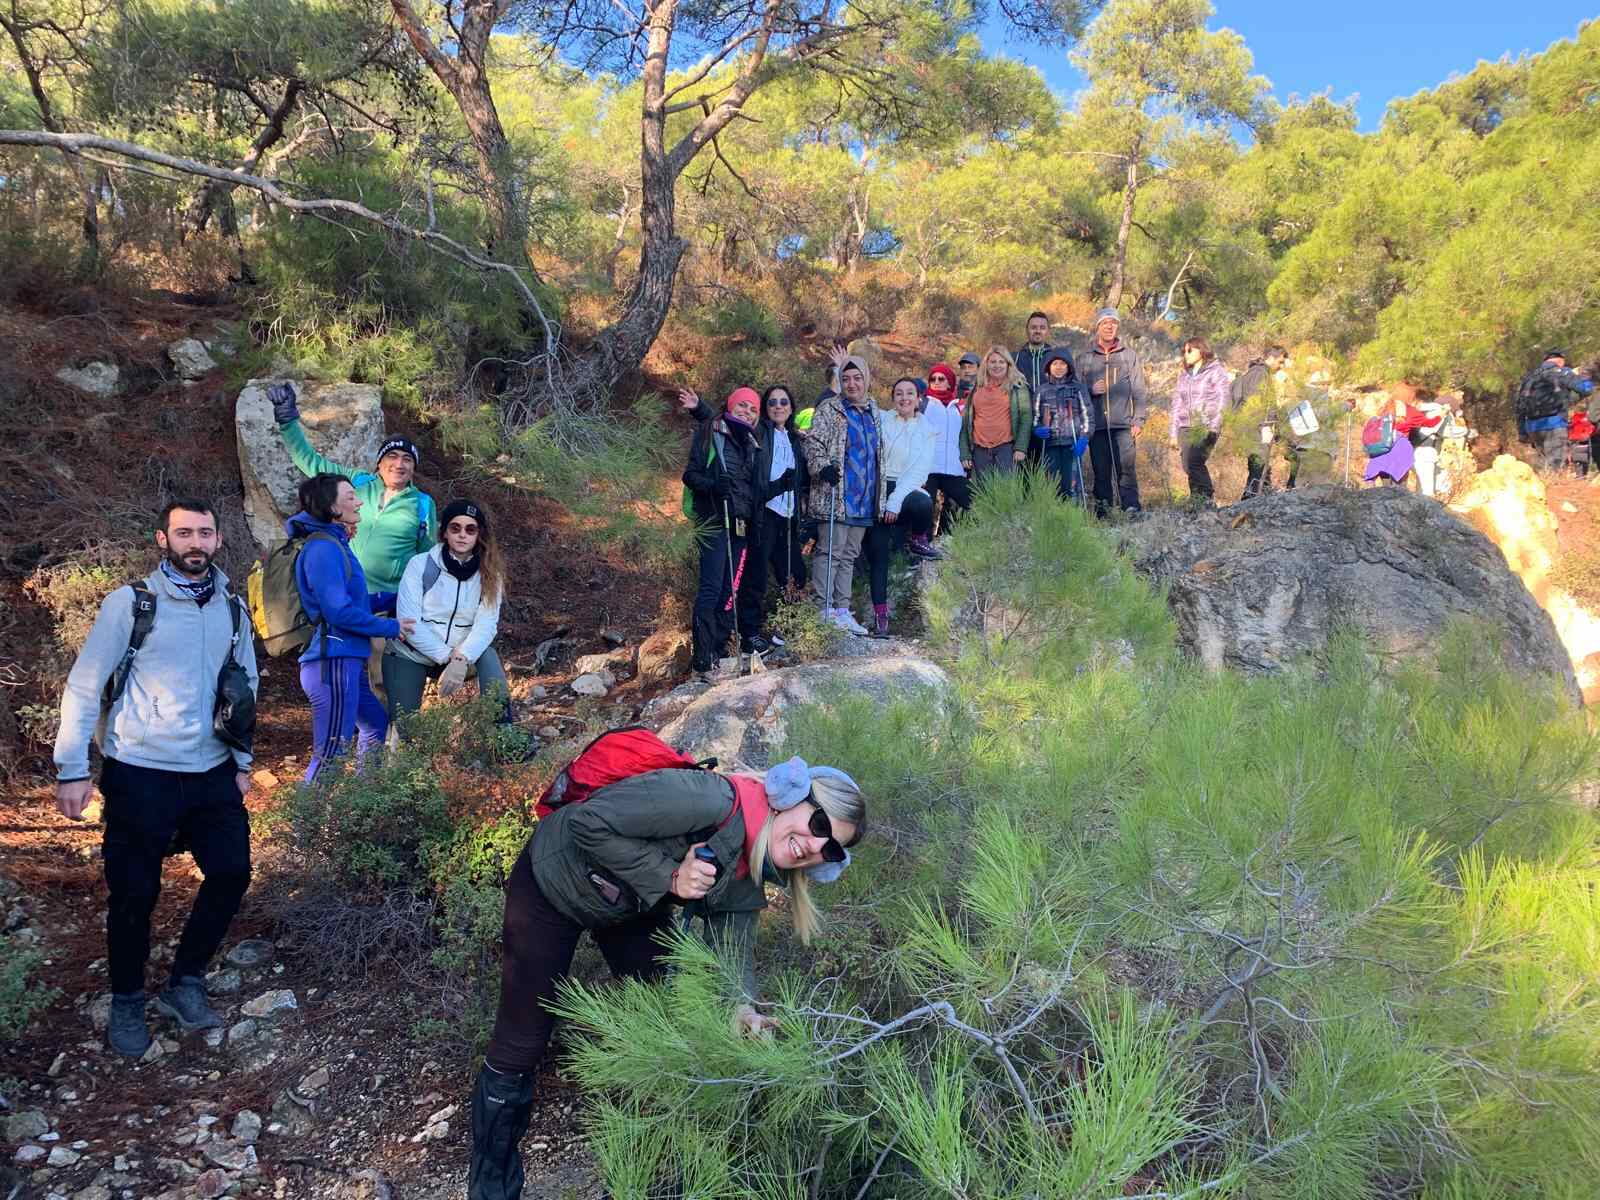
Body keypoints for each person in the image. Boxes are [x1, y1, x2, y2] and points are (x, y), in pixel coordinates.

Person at [467, 755, 866, 1200]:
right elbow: (585, 822)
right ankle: (491, 1191)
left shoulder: (750, 867)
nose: (815, 845)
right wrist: (672, 877)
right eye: (818, 824)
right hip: (555, 878)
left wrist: (742, 1008)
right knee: (520, 1045)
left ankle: (641, 1178)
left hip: (630, 902)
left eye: (831, 849)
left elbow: (729, 961)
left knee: (667, 1028)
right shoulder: (706, 800)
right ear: (790, 796)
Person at [53, 499, 259, 1057]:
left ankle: (185, 980)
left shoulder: (233, 609)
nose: (196, 542)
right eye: (185, 533)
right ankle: (125, 1000)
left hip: (212, 770)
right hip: (139, 772)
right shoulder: (131, 604)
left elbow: (244, 691)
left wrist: (242, 764)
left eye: (206, 533)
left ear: (219, 541)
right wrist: (73, 769)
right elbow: (84, 683)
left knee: (232, 872)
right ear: (163, 540)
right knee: (134, 894)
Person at [268, 382, 436, 699]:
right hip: (343, 598)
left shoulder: (423, 504)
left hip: (385, 604)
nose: (400, 464)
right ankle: (355, 738)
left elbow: (427, 559)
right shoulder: (356, 484)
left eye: (408, 460)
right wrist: (287, 419)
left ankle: (384, 740)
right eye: (394, 457)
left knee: (378, 681)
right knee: (342, 678)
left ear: (414, 468)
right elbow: (310, 461)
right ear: (379, 462)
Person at [289, 473, 414, 781]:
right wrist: (389, 628)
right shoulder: (322, 549)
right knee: (331, 753)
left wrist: (397, 596)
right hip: (331, 663)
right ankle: (305, 829)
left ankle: (361, 808)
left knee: (375, 726)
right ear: (331, 507)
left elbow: (353, 601)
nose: (359, 501)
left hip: (347, 662)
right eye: (350, 496)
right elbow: (338, 611)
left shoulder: (335, 544)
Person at [385, 498, 516, 728]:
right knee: (404, 727)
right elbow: (409, 622)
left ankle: (504, 733)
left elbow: (486, 623)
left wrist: (462, 657)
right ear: (444, 532)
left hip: (462, 654)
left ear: (479, 534)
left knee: (489, 656)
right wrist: (449, 656)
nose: (462, 535)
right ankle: (397, 754)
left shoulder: (490, 573)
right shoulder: (420, 564)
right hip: (412, 653)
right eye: (455, 528)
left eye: (470, 529)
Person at [680, 385, 761, 676]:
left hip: (741, 527)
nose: (747, 412)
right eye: (742, 406)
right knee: (712, 589)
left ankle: (719, 649)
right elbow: (690, 475)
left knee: (731, 591)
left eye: (753, 409)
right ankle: (702, 657)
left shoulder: (752, 443)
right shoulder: (710, 435)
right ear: (730, 406)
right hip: (715, 521)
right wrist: (714, 485)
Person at [803, 349, 883, 635]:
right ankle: (822, 610)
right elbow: (812, 443)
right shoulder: (830, 409)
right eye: (846, 379)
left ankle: (841, 610)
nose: (851, 384)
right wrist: (822, 466)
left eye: (857, 378)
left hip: (864, 495)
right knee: (829, 552)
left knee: (849, 554)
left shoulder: (874, 411)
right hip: (836, 493)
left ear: (867, 380)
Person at [864, 378, 938, 635]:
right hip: (878, 489)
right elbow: (859, 396)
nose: (904, 398)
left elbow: (917, 472)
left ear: (919, 398)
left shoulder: (927, 429)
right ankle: (880, 614)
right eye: (898, 393)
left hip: (906, 490)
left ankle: (917, 537)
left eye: (910, 393)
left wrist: (893, 503)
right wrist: (841, 371)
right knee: (878, 553)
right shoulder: (882, 419)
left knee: (923, 502)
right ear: (893, 398)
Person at [739, 385, 810, 645]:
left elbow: (802, 476)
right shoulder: (759, 434)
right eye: (772, 403)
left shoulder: (794, 439)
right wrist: (780, 485)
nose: (778, 406)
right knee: (756, 576)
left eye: (783, 402)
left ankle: (787, 627)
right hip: (764, 514)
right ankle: (750, 634)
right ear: (766, 409)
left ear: (791, 407)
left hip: (789, 515)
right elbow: (755, 484)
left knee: (795, 573)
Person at [1082, 308, 1148, 514]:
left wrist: (1138, 420)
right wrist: (1091, 390)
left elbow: (1139, 389)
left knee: (1126, 470)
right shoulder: (1085, 357)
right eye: (1105, 323)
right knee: (1101, 472)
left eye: (1114, 323)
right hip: (1097, 426)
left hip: (1123, 425)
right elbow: (1076, 390)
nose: (1110, 326)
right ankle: (1104, 512)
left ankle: (1131, 508)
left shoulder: (1129, 355)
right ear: (1098, 327)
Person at [1169, 337, 1230, 503]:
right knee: (1187, 464)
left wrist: (1214, 427)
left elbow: (1222, 400)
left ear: (1201, 350)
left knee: (1194, 461)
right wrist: (1173, 433)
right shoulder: (1183, 375)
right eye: (1184, 351)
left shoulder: (1216, 371)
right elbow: (1177, 405)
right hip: (1185, 427)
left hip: (1205, 426)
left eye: (1190, 350)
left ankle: (1206, 497)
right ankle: (1196, 500)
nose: (1186, 354)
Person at [959, 347, 1031, 479]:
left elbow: (1026, 417)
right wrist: (965, 453)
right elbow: (966, 421)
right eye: (993, 362)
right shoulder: (977, 386)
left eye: (1001, 362)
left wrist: (1021, 447)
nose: (997, 365)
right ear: (986, 364)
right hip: (979, 448)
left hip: (1005, 448)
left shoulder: (1017, 386)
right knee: (981, 493)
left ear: (1008, 364)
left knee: (1005, 492)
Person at [1516, 350, 1594, 471]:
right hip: (1554, 425)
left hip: (1532, 427)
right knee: (1556, 466)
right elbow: (1586, 389)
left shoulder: (1529, 377)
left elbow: (1519, 406)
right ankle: (1554, 486)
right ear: (1560, 360)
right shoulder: (1562, 372)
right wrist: (1585, 377)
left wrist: (1522, 432)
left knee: (1542, 463)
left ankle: (1541, 486)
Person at [1032, 348, 1093, 503]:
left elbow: (1088, 416)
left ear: (1069, 367)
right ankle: (1053, 519)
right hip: (1050, 445)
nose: (1058, 367)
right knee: (1052, 484)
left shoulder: (1078, 388)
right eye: (1055, 364)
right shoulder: (1042, 390)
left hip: (1072, 444)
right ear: (1048, 367)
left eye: (1062, 364)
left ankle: (1074, 518)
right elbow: (1035, 417)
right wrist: (1037, 429)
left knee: (1071, 484)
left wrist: (1084, 438)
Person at [921, 362, 970, 538]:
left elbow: (967, 433)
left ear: (950, 382)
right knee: (925, 505)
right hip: (928, 467)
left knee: (971, 501)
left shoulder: (960, 406)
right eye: (932, 379)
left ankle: (948, 539)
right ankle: (921, 544)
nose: (936, 382)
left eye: (941, 379)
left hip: (953, 466)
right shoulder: (923, 403)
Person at [1232, 345, 1288, 498]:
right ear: (1270, 358)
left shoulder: (1259, 372)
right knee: (1259, 463)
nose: (1281, 366)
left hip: (1252, 425)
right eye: (1280, 362)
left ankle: (1261, 495)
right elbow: (1257, 403)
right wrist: (1267, 426)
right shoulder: (1259, 373)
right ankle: (1250, 499)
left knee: (1260, 464)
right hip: (1255, 426)